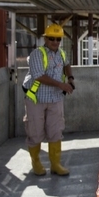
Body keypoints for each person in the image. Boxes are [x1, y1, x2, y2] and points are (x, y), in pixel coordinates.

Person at [22, 23, 75, 176]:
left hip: (56, 99)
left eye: (58, 39)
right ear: (45, 39)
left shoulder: (62, 54)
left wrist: (70, 78)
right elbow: (39, 75)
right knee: (35, 132)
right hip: (36, 99)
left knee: (56, 132)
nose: (55, 41)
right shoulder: (36, 54)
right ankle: (36, 162)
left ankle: (55, 164)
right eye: (52, 38)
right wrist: (61, 85)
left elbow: (67, 64)